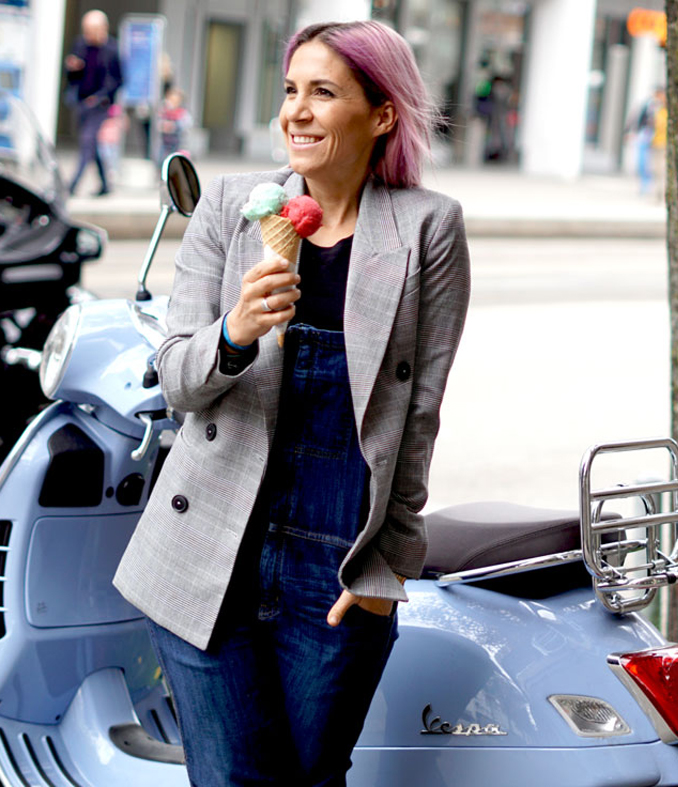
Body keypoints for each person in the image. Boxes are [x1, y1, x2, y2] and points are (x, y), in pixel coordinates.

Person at [113, 20, 471, 785]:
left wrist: (386, 572)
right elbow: (175, 379)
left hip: (337, 565)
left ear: (381, 114)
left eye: (323, 92)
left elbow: (417, 422)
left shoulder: (427, 229)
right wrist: (236, 330)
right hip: (207, 552)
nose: (295, 112)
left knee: (312, 777)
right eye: (289, 90)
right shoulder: (232, 207)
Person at [64, 10, 122, 197]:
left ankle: (72, 185)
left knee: (87, 140)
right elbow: (71, 76)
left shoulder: (112, 49)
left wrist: (100, 97)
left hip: (100, 104)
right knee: (91, 144)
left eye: (91, 30)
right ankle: (105, 184)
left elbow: (118, 80)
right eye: (86, 30)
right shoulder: (80, 44)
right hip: (82, 102)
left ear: (103, 28)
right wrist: (72, 67)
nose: (88, 35)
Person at [157, 87, 192, 162]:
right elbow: (158, 124)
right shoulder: (164, 111)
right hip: (165, 145)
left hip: (178, 145)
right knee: (163, 162)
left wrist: (174, 126)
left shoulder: (183, 113)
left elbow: (186, 126)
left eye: (176, 101)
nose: (173, 103)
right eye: (171, 100)